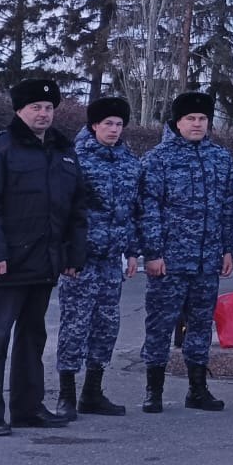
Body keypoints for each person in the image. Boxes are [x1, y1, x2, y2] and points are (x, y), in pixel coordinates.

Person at [0, 78, 87, 436]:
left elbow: (76, 209)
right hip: (8, 263)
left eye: (49, 108)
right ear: (19, 110)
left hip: (45, 262)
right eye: (36, 107)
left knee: (33, 338)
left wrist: (72, 255)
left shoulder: (64, 151)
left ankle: (27, 408)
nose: (43, 114)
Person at [138, 91, 233, 413]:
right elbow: (147, 209)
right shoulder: (158, 159)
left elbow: (229, 207)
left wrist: (227, 249)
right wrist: (152, 253)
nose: (197, 124)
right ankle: (153, 389)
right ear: (177, 122)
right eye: (190, 119)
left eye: (202, 119)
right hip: (169, 261)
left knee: (199, 327)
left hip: (207, 261)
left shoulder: (220, 159)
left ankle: (197, 389)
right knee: (159, 325)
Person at [54, 96, 141, 420]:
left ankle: (92, 392)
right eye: (108, 124)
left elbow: (132, 211)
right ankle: (66, 394)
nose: (114, 130)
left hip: (110, 260)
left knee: (106, 326)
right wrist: (66, 253)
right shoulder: (74, 159)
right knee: (74, 326)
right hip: (81, 258)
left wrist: (132, 251)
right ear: (94, 126)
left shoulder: (130, 162)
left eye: (119, 125)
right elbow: (61, 211)